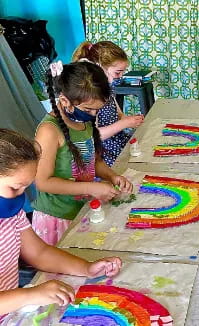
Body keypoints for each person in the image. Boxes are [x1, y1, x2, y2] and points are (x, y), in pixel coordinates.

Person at [0, 128, 122, 322]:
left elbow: (39, 253)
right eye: (15, 187)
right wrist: (31, 295)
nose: (20, 196)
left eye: (25, 187)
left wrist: (86, 268)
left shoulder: (11, 215)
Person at [32, 61, 133, 245]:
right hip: (57, 219)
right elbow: (42, 182)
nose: (94, 115)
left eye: (97, 109)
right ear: (65, 101)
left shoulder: (84, 121)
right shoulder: (49, 131)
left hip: (82, 210)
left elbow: (93, 161)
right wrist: (90, 188)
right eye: (88, 110)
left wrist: (112, 176)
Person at [72, 41, 144, 166]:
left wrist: (130, 120)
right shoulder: (88, 97)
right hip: (103, 154)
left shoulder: (106, 87)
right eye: (117, 72)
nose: (120, 76)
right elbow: (92, 137)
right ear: (99, 67)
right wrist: (124, 123)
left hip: (118, 142)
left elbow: (118, 113)